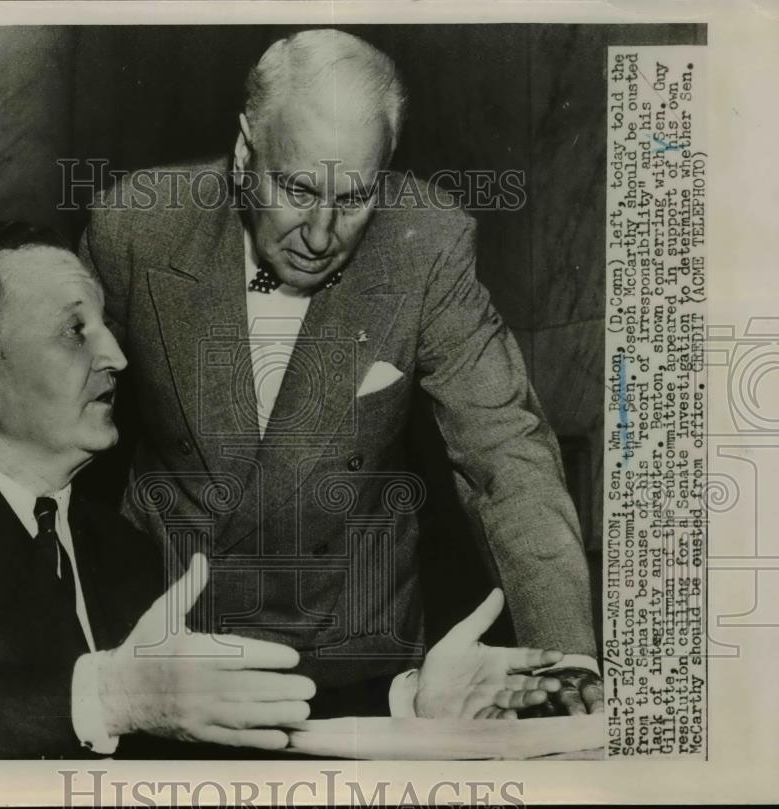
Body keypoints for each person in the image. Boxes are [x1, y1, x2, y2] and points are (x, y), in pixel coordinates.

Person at [0, 222, 566, 760]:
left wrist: (410, 703)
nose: (116, 355)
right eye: (76, 331)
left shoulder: (121, 546)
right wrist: (111, 697)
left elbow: (223, 714)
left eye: (108, 323)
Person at [80, 28, 603, 715]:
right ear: (244, 150)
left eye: (354, 199)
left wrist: (567, 663)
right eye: (297, 189)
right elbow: (51, 407)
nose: (322, 234)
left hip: (362, 663)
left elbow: (505, 453)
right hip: (174, 651)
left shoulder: (428, 243)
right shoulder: (137, 228)